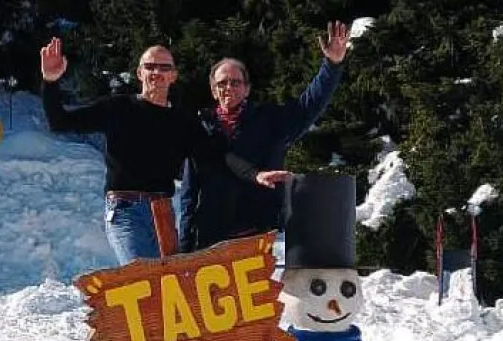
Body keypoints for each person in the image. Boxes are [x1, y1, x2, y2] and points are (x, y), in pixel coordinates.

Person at [39, 37, 283, 265]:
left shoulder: (183, 121)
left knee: (167, 289)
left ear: (173, 76)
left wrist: (255, 174)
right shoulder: (117, 108)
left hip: (163, 213)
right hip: (125, 210)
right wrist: (50, 82)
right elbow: (60, 122)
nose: (156, 72)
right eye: (150, 66)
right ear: (139, 73)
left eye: (164, 67)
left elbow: (217, 157)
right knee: (142, 280)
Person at [179, 21, 351, 253]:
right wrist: (184, 245)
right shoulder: (200, 128)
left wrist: (332, 65)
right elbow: (189, 193)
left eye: (235, 82)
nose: (228, 87)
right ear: (213, 90)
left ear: (247, 88)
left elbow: (309, 106)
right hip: (210, 239)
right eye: (222, 83)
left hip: (255, 235)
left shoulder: (269, 121)